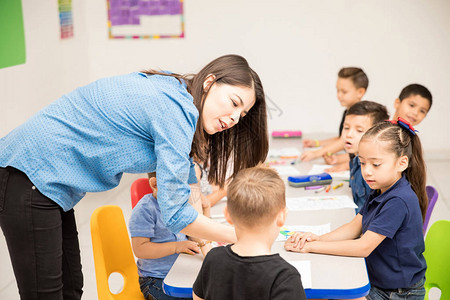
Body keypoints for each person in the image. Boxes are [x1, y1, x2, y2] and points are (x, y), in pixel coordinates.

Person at [0, 54, 268, 300]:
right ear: (210, 82)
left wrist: (208, 245)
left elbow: (188, 184)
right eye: (234, 103)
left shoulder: (178, 95)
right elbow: (176, 215)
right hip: (28, 173)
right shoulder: (176, 109)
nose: (234, 118)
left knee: (71, 287)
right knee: (45, 294)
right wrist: (242, 236)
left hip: (50, 183)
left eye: (241, 115)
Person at [285, 118, 427, 300]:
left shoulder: (398, 200)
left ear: (402, 163)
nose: (367, 171)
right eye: (362, 163)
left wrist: (312, 247)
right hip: (379, 281)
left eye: (376, 164)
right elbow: (354, 226)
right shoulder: (381, 188)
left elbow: (363, 247)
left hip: (397, 293)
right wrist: (318, 238)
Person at [193, 166, 306, 300]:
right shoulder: (284, 277)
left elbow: (198, 297)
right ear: (281, 216)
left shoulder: (213, 259)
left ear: (227, 215)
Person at [129, 172, 211, 300]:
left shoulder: (179, 204)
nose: (183, 192)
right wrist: (176, 247)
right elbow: (140, 249)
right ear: (155, 184)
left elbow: (196, 232)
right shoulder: (145, 209)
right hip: (156, 280)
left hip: (182, 271)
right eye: (177, 186)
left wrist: (205, 210)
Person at [301, 67, 368, 162]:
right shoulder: (348, 112)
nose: (339, 95)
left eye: (344, 92)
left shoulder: (361, 116)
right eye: (338, 90)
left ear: (360, 92)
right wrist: (316, 143)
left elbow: (343, 141)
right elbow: (340, 138)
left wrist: (316, 153)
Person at [340, 101, 389, 212]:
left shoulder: (373, 172)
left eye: (359, 130)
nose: (349, 134)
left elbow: (373, 214)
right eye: (346, 128)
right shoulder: (355, 158)